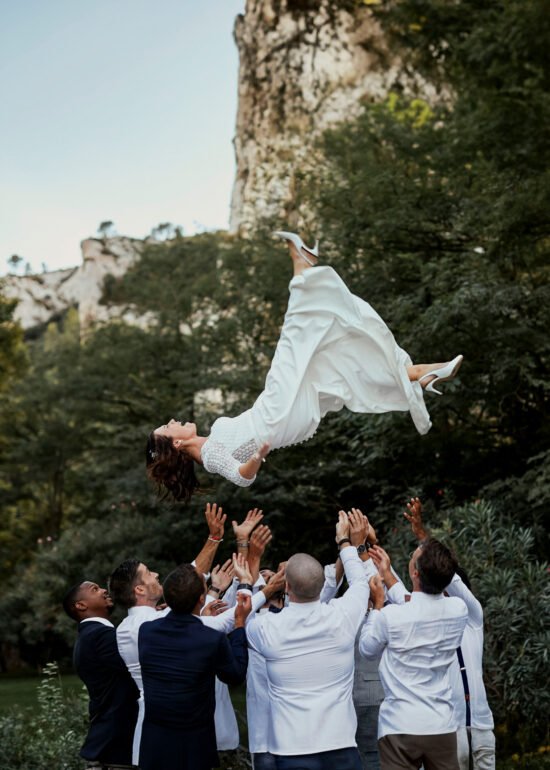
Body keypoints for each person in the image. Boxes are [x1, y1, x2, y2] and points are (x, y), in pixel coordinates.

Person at [146, 231, 463, 500]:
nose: (173, 419)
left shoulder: (207, 447)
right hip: (273, 418)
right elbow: (242, 478)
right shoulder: (210, 454)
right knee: (294, 341)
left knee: (331, 363)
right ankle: (301, 263)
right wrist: (257, 457)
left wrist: (258, 452)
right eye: (168, 425)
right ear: (175, 442)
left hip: (280, 419)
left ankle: (420, 375)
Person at [246, 509, 370, 770]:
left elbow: (241, 616)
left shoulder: (266, 627)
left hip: (290, 750)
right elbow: (360, 582)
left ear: (286, 587)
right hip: (342, 747)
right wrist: (346, 542)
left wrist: (265, 591)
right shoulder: (343, 617)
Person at [402, 497, 496, 770]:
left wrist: (423, 538)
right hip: (449, 726)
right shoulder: (429, 618)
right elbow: (398, 592)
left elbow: (450, 576)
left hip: (480, 725)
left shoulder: (472, 618)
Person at [359, 539, 468, 770]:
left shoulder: (391, 616)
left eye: (412, 555)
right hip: (441, 724)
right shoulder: (458, 610)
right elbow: (417, 605)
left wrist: (377, 605)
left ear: (415, 573)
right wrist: (388, 575)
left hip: (399, 725)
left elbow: (367, 649)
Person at [137, 563, 251, 770]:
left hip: (155, 741)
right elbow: (234, 675)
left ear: (167, 598)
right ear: (201, 599)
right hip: (194, 743)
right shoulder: (210, 639)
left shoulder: (146, 632)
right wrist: (239, 625)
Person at [62, 580, 139, 770]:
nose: (104, 590)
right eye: (94, 589)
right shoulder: (100, 636)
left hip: (106, 743)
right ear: (81, 605)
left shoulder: (89, 636)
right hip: (117, 746)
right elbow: (139, 667)